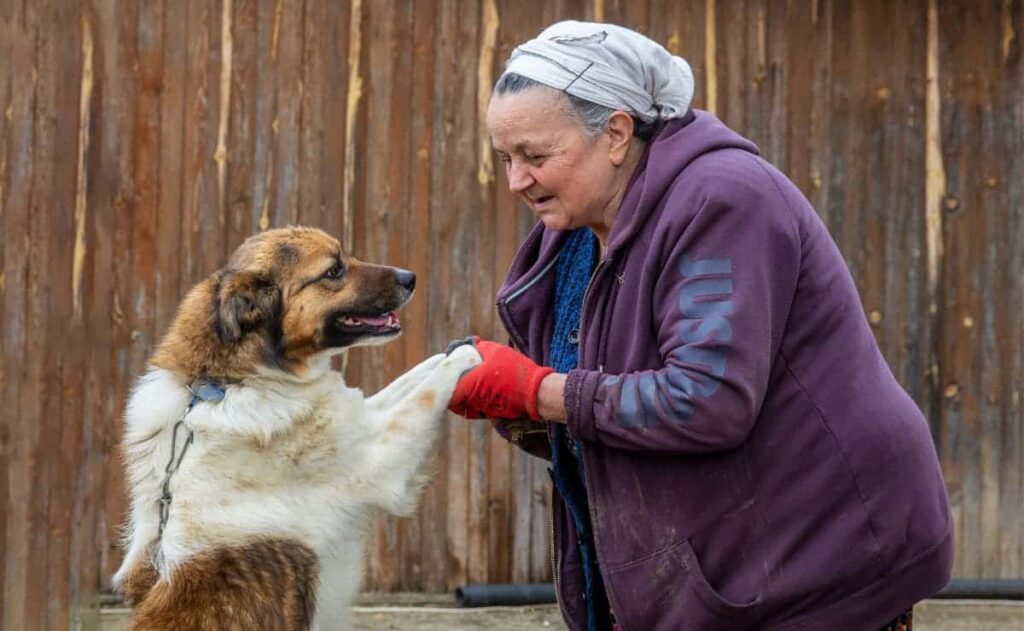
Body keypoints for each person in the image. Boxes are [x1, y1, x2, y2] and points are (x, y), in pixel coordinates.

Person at [446, 20, 952, 631]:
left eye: (535, 155)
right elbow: (603, 404)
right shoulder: (578, 233)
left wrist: (540, 392)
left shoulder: (723, 200)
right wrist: (523, 410)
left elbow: (706, 399)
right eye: (505, 158)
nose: (515, 181)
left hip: (819, 558)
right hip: (737, 557)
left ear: (615, 132)